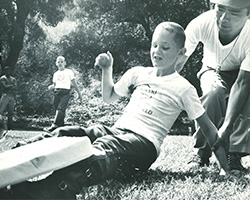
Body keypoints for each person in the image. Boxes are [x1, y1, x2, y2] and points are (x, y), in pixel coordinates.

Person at [0, 22, 229, 199]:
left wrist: (225, 170)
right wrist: (107, 69)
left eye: (165, 47)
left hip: (142, 144)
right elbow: (109, 97)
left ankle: (44, 192)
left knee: (102, 149)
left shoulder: (184, 88)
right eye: (154, 45)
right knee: (67, 132)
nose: (157, 51)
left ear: (181, 53)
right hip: (114, 130)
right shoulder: (138, 73)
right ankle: (9, 167)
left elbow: (209, 130)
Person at [177, 0, 250, 171]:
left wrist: (227, 126)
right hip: (212, 69)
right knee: (212, 92)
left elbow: (242, 83)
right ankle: (201, 154)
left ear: (248, 14)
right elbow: (177, 62)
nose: (225, 18)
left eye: (235, 13)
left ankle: (234, 156)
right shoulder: (202, 22)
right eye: (221, 9)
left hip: (243, 74)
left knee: (247, 101)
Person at [44, 56, 83, 132]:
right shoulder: (55, 74)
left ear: (65, 63)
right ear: (56, 63)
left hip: (65, 92)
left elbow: (74, 83)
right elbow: (55, 84)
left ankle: (54, 126)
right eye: (58, 62)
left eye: (62, 61)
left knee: (60, 109)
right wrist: (51, 86)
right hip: (57, 92)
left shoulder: (69, 72)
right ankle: (61, 127)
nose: (60, 63)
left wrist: (79, 93)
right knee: (57, 109)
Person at [0, 66, 17, 134]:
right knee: (1, 111)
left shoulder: (13, 79)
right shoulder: (2, 78)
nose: (8, 72)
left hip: (11, 96)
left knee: (11, 112)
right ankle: (1, 126)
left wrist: (10, 86)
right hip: (5, 95)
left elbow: (15, 86)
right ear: (5, 71)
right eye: (7, 70)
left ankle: (10, 126)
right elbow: (5, 86)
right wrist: (11, 86)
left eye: (9, 70)